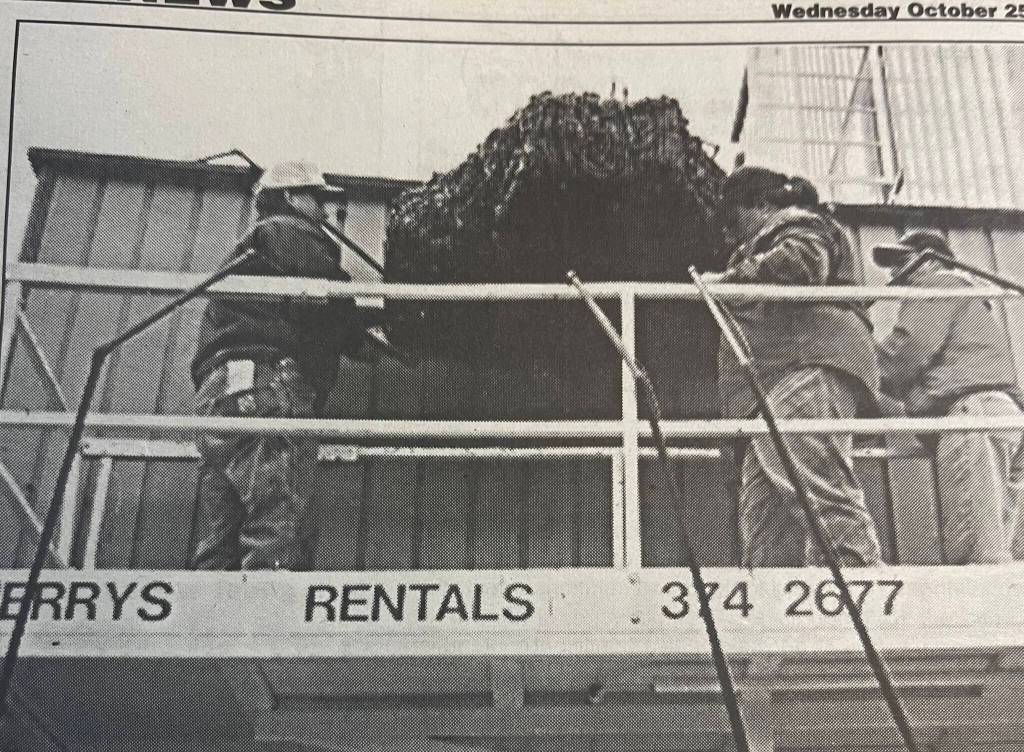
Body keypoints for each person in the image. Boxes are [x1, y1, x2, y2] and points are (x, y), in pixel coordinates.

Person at [190, 161, 361, 570]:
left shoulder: (253, 251)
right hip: (268, 383)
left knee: (225, 526)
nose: (323, 211)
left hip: (220, 391)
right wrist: (365, 329)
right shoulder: (287, 230)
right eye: (316, 198)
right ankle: (265, 606)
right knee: (277, 515)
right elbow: (329, 292)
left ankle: (209, 606)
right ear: (289, 198)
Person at [713, 166, 884, 567]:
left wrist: (736, 277)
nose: (727, 234)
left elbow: (804, 264)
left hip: (809, 363)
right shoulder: (773, 237)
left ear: (761, 205)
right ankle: (775, 591)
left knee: (811, 474)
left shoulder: (798, 223)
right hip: (778, 379)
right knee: (765, 503)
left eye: (731, 220)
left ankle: (857, 572)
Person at [874, 229, 1024, 564]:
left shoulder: (939, 286)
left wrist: (854, 359)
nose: (894, 273)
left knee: (975, 551)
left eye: (901, 261)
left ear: (931, 260)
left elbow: (902, 355)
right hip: (1005, 416)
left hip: (973, 416)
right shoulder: (969, 299)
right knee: (1004, 551)